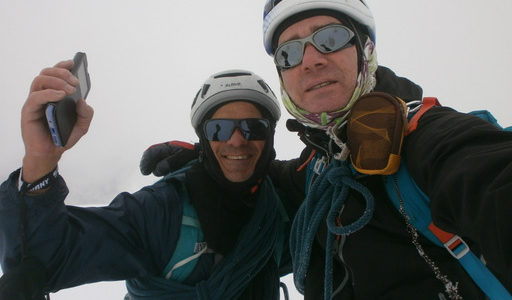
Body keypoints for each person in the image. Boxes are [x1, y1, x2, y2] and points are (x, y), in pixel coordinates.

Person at [139, 0, 512, 299]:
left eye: (330, 38)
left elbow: (487, 177)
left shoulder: (430, 140)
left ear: (365, 50)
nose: (311, 59)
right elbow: (281, 178)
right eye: (289, 52)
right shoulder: (323, 164)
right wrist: (211, 154)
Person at [0, 62, 292, 299]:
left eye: (254, 128)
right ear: (204, 140)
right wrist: (40, 160)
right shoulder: (162, 210)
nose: (237, 141)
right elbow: (46, 261)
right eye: (219, 129)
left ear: (271, 136)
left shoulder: (282, 201)